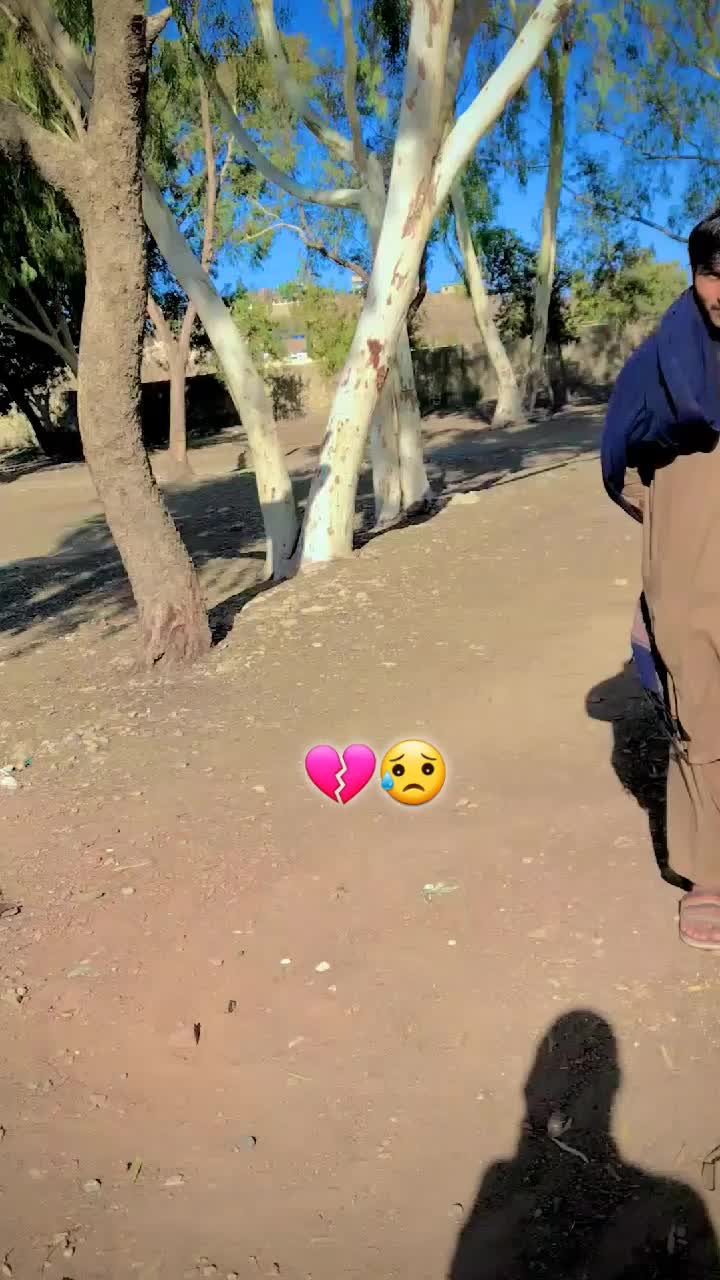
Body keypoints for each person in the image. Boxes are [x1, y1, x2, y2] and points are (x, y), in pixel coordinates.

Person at [601, 207, 720, 949]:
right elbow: (623, 462)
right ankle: (711, 871)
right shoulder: (661, 361)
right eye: (711, 273)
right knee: (698, 698)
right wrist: (678, 526)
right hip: (691, 550)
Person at [449, 1010, 720, 1278]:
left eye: (580, 1078)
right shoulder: (505, 1193)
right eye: (566, 1079)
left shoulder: (669, 1210)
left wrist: (535, 1133)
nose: (573, 1095)